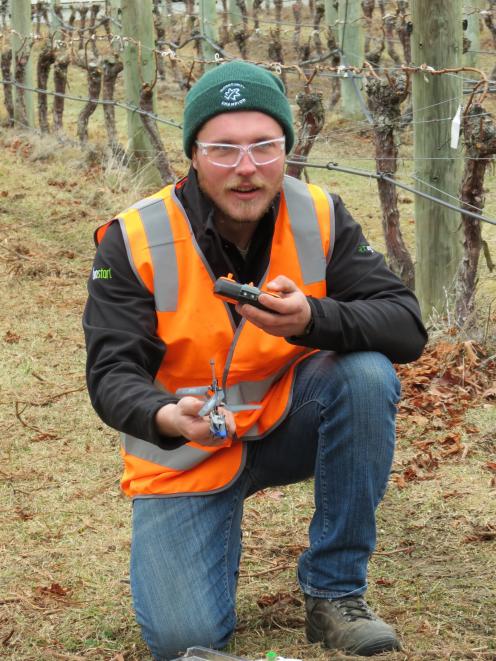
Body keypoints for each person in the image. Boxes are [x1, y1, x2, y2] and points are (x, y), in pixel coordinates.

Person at [83, 60, 427, 660]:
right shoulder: (133, 236)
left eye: (264, 146)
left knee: (366, 373)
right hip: (187, 450)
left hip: (285, 422)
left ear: (286, 149)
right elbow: (111, 372)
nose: (246, 169)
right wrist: (167, 415)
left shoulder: (320, 213)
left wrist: (315, 321)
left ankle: (334, 593)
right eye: (223, 149)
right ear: (193, 153)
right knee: (185, 641)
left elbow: (406, 325)